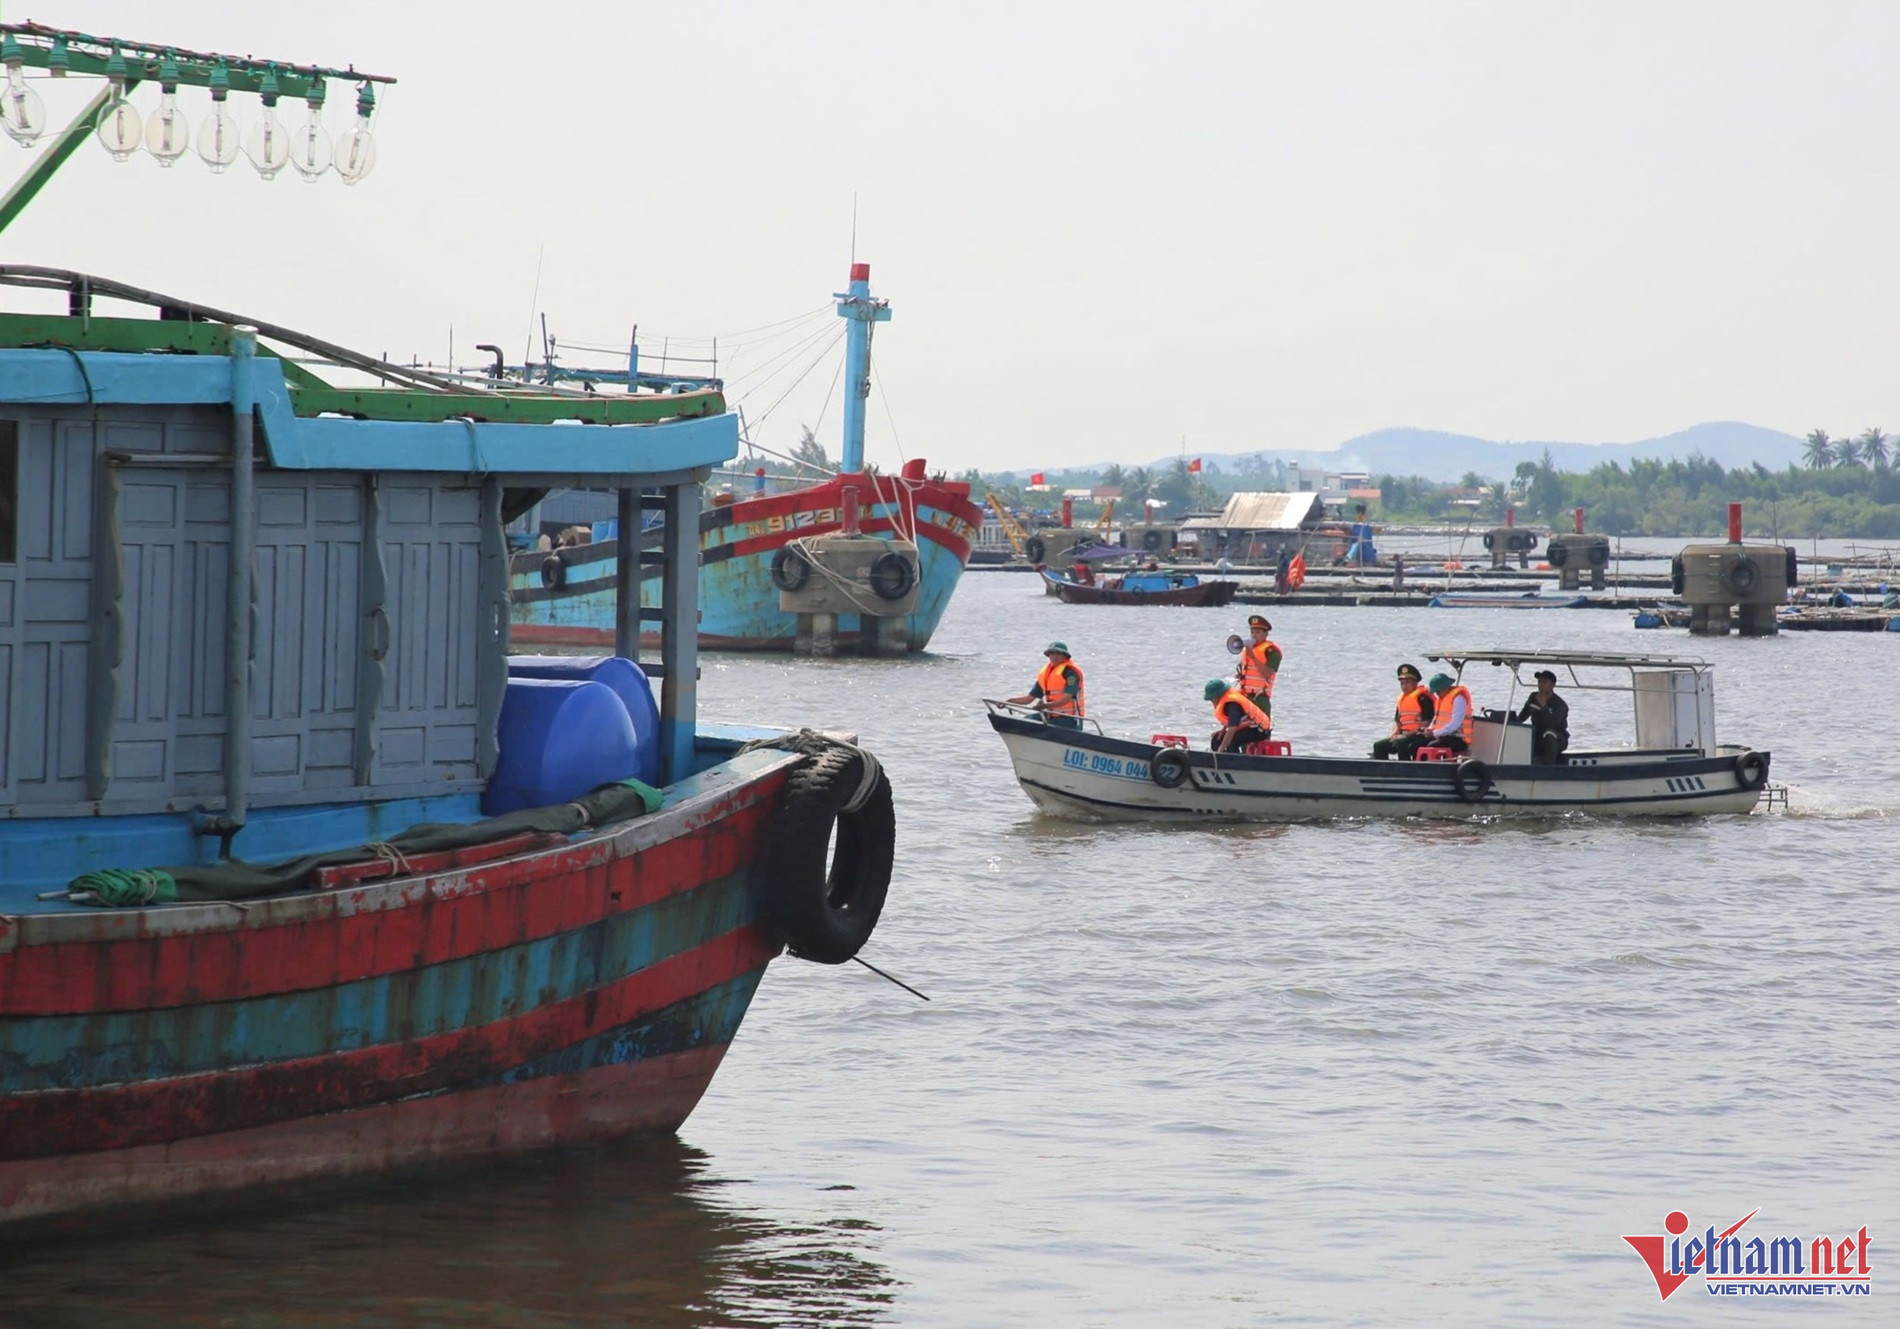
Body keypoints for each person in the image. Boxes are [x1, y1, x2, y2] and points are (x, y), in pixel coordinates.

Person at [1005, 642, 1086, 728]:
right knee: (1027, 720)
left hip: (1070, 720)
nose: (1055, 657)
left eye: (1058, 654)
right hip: (1051, 715)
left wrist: (1045, 706)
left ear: (1065, 656)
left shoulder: (1070, 673)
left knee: (1031, 725)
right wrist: (1009, 701)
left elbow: (1066, 699)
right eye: (1052, 653)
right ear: (1048, 655)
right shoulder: (1046, 674)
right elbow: (1028, 699)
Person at [1371, 663, 1436, 760]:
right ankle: (1384, 770)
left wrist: (1407, 735)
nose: (1405, 686)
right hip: (1403, 735)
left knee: (1401, 742)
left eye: (1408, 682)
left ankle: (1405, 768)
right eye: (1402, 683)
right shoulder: (1402, 699)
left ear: (1415, 683)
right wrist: (1394, 733)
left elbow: (1426, 723)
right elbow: (1397, 721)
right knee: (1378, 745)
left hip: (1420, 735)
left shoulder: (1423, 698)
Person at [1514, 668, 1570, 763]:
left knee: (1549, 733)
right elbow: (1522, 717)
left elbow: (1552, 725)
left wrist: (1544, 706)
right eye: (1539, 681)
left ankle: (1548, 765)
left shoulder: (1560, 705)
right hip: (1538, 735)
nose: (1540, 684)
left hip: (1557, 738)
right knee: (1523, 733)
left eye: (1544, 682)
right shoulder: (1533, 697)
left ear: (1552, 685)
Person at [1205, 678, 1271, 753]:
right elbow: (1231, 721)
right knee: (1216, 739)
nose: (1212, 702)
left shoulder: (1232, 704)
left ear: (1218, 696)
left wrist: (1221, 749)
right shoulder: (1226, 700)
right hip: (1247, 726)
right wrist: (1223, 730)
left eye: (1212, 699)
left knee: (1231, 740)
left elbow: (1232, 728)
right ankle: (1218, 761)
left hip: (1259, 730)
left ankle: (1234, 762)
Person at [1234, 615, 1282, 717]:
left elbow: (1268, 674)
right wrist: (1241, 676)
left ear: (1266, 634)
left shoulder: (1271, 651)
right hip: (1244, 696)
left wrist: (1253, 658)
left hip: (1260, 699)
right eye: (1252, 632)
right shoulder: (1248, 650)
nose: (1254, 635)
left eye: (1258, 632)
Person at [1422, 672, 1474, 753]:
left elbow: (1455, 725)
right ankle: (1414, 765)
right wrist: (1429, 729)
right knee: (1415, 744)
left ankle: (1435, 764)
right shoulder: (1441, 699)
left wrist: (1435, 733)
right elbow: (1436, 718)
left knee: (1432, 745)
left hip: (1457, 738)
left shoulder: (1458, 699)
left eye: (1438, 691)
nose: (1437, 694)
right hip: (1442, 735)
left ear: (1445, 688)